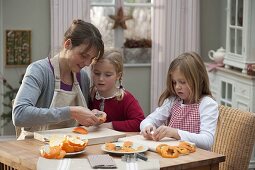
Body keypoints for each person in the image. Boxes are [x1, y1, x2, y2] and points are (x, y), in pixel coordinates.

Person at [12, 19, 105, 139]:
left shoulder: (83, 78)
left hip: (71, 146)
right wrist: (71, 112)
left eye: (91, 59)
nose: (87, 63)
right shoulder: (39, 71)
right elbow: (19, 115)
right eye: (83, 55)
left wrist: (93, 115)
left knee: (103, 158)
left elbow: (80, 122)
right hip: (35, 147)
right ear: (67, 44)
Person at [140, 52, 219, 150]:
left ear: (198, 80)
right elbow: (147, 120)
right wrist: (148, 127)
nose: (177, 87)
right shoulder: (173, 101)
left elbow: (207, 141)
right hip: (174, 157)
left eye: (182, 82)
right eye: (174, 82)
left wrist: (175, 133)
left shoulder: (207, 104)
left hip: (196, 160)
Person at [89, 48, 145, 132]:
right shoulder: (90, 96)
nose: (101, 79)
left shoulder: (126, 98)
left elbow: (139, 122)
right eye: (97, 73)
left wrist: (110, 125)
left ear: (118, 75)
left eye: (108, 75)